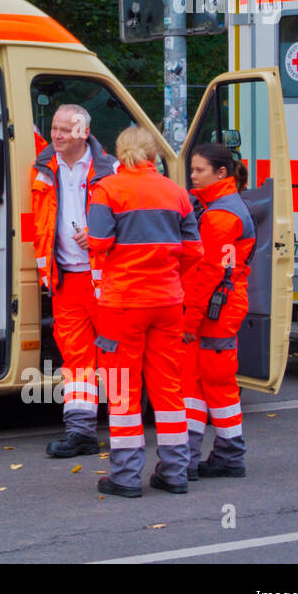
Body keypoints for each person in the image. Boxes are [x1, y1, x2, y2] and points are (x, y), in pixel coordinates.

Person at [88, 125, 203, 497]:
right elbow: (194, 252)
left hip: (123, 304)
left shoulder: (108, 190)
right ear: (154, 155)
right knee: (168, 387)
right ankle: (174, 472)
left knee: (123, 389)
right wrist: (168, 276)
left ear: (120, 154)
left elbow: (99, 243)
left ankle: (125, 476)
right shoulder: (177, 193)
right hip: (168, 301)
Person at [31, 104, 119, 457]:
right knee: (76, 359)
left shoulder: (110, 169)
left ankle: (124, 429)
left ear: (85, 132)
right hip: (66, 278)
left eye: (65, 130)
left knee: (114, 356)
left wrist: (99, 236)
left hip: (104, 278)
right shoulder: (43, 168)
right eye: (54, 128)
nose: (57, 135)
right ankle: (80, 432)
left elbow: (129, 221)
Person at [182, 143, 254, 480]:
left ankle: (222, 456)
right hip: (222, 308)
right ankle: (206, 454)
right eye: (193, 169)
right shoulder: (220, 208)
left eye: (199, 170)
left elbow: (208, 275)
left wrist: (188, 322)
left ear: (221, 173)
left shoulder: (220, 216)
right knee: (204, 383)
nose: (192, 176)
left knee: (213, 385)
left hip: (215, 311)